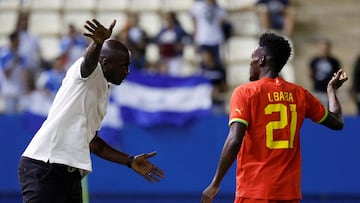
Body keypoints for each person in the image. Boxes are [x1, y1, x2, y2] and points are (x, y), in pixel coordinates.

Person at [18, 19, 164, 203]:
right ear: (105, 62)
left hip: (69, 174)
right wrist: (97, 43)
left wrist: (129, 160)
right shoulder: (88, 72)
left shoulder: (102, 89)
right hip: (46, 166)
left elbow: (93, 142)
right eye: (123, 66)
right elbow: (88, 62)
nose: (127, 71)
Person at [201, 32, 347, 203]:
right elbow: (337, 122)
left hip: (255, 191)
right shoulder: (301, 94)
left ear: (262, 60)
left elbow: (234, 140)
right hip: (289, 193)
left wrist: (215, 183)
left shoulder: (246, 92)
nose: (250, 62)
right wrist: (331, 91)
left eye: (252, 57)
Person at [190, 0, 227, 66]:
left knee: (216, 63)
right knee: (204, 62)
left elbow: (221, 23)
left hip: (215, 39)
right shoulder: (198, 6)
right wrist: (194, 40)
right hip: (203, 39)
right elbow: (194, 24)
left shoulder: (219, 8)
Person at [153, 11, 191, 76]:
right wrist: (159, 46)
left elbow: (188, 39)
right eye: (167, 19)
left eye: (169, 19)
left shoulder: (179, 30)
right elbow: (155, 40)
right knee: (164, 75)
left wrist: (181, 44)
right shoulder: (163, 30)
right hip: (164, 58)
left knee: (174, 74)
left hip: (175, 58)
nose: (168, 21)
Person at [309, 38, 341, 106]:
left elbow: (338, 74)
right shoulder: (314, 60)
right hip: (317, 90)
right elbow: (310, 73)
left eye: (326, 48)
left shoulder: (334, 61)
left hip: (329, 91)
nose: (324, 50)